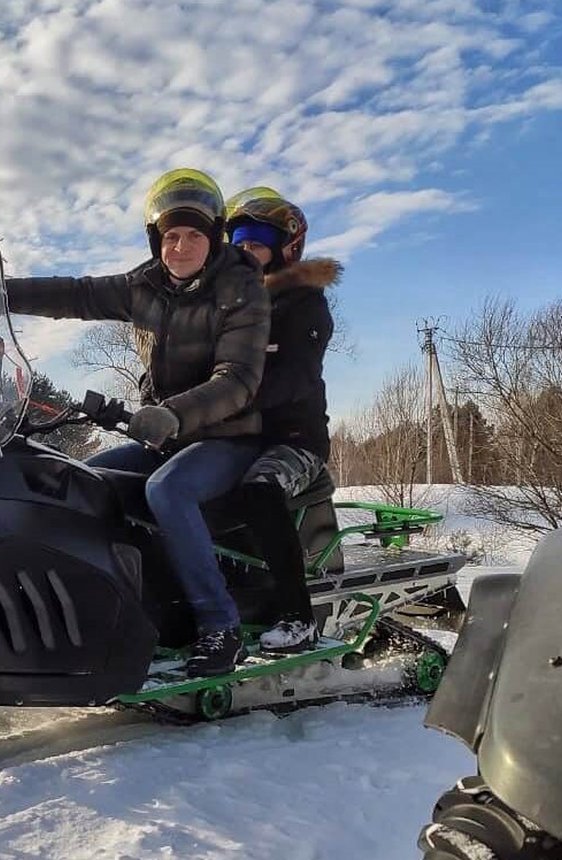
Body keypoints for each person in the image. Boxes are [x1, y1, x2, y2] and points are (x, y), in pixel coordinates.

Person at [0, 168, 270, 677]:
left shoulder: (241, 289)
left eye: (194, 236)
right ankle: (124, 611)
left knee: (168, 492)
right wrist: (2, 294)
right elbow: (77, 294)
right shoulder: (145, 287)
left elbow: (238, 380)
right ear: (157, 241)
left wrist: (172, 413)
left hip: (227, 438)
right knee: (79, 482)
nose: (182, 247)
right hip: (164, 437)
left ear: (214, 239)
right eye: (171, 236)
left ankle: (220, 626)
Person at [224, 187, 342, 653]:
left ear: (284, 248)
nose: (244, 253)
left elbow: (295, 376)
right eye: (236, 245)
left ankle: (298, 614)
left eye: (254, 244)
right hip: (234, 436)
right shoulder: (228, 304)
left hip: (294, 439)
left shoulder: (303, 304)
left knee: (259, 490)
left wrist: (231, 402)